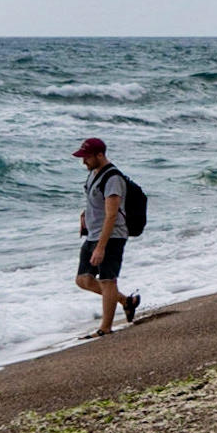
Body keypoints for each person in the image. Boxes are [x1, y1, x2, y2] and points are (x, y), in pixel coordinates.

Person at [74, 137, 140, 336]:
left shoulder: (113, 178)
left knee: (107, 281)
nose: (83, 161)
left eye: (86, 157)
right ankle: (126, 301)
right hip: (94, 233)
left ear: (100, 155)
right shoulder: (94, 173)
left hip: (112, 236)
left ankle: (105, 328)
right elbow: (96, 202)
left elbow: (112, 214)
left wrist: (101, 247)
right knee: (83, 279)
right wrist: (85, 215)